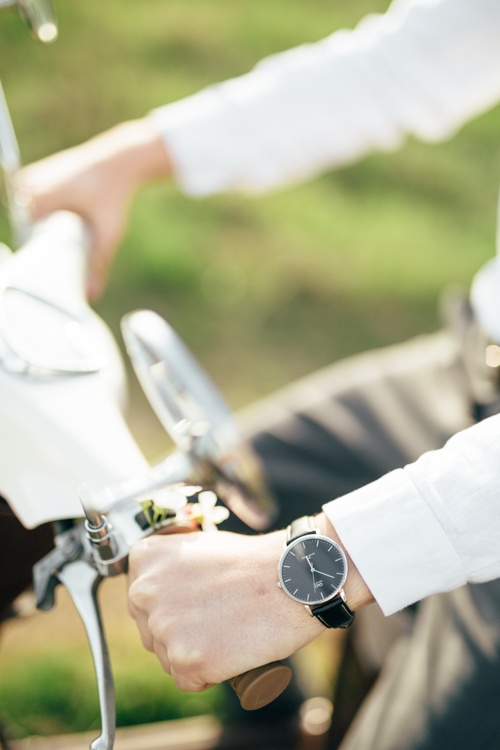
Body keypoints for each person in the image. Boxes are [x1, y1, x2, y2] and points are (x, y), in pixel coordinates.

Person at [19, 0, 500, 748]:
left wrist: (323, 566)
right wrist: (132, 156)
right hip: (471, 363)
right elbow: (414, 61)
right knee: (202, 506)